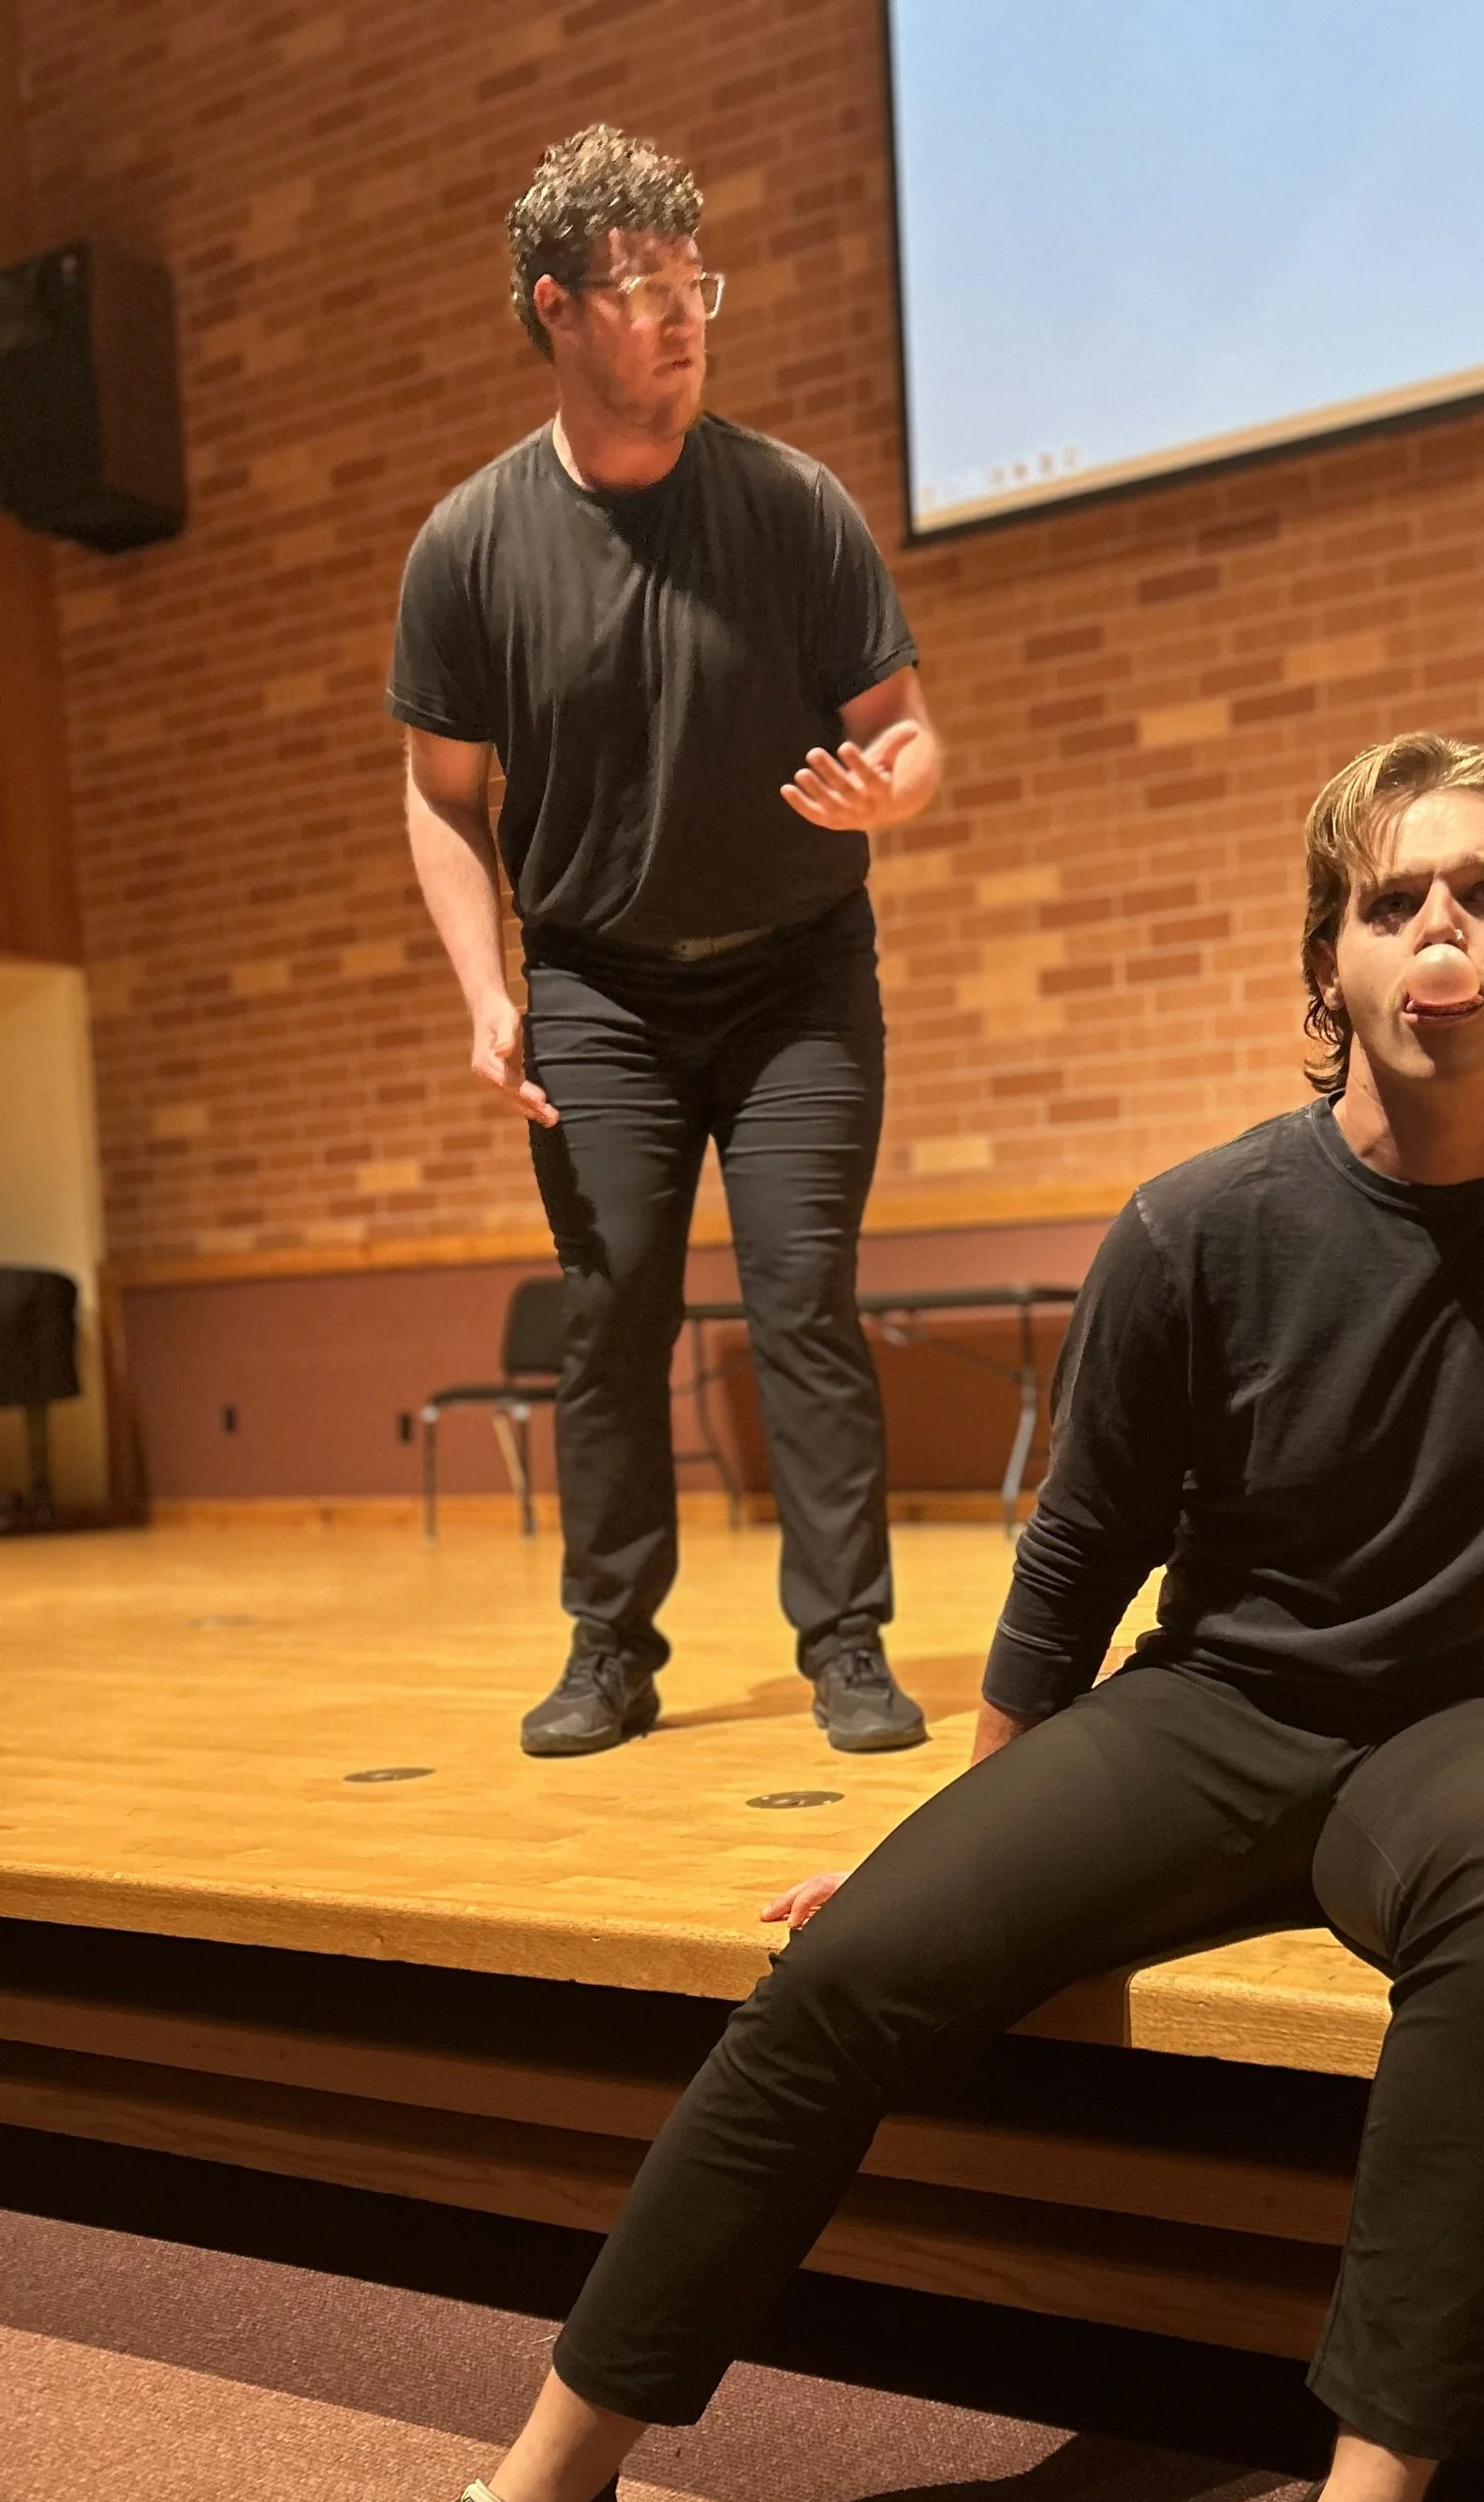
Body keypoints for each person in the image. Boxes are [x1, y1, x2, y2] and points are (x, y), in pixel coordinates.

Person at [223, 732, 1484, 2502]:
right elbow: (1073, 1564)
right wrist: (948, 1839)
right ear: (1325, 958)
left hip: (1481, 1722)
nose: (1440, 930)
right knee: (848, 1959)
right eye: (1392, 895)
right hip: (1219, 1701)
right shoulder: (1200, 1224)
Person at [391, 125, 940, 1759]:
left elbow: (903, 725)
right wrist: (488, 991)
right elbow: (440, 799)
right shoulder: (471, 548)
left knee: (800, 1300)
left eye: (694, 282)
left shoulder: (793, 505)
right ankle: (609, 1651)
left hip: (796, 977)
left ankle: (847, 1647)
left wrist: (888, 801)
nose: (686, 316)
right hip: (600, 990)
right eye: (642, 291)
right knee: (614, 1301)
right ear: (556, 308)